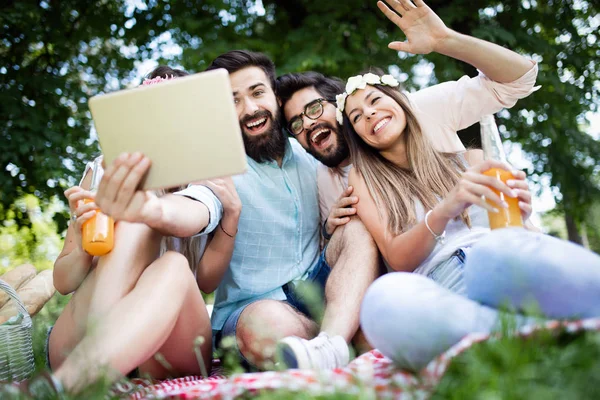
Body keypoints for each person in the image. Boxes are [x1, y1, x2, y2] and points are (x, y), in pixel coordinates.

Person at [333, 0, 600, 371]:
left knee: (492, 256)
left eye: (375, 101)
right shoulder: (365, 179)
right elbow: (398, 259)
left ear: (401, 102)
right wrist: (445, 208)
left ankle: (517, 339)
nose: (369, 115)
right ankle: (533, 335)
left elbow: (520, 77)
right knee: (383, 299)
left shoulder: (472, 162)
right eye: (357, 117)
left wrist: (520, 213)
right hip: (443, 289)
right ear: (358, 136)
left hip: (500, 264)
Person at [4, 66, 239, 398]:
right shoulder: (104, 170)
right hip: (84, 329)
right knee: (136, 223)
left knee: (172, 265)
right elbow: (63, 281)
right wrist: (85, 246)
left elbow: (204, 282)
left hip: (167, 342)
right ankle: (93, 364)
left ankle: (66, 385)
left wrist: (230, 218)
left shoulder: (206, 178)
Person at [177, 50, 381, 371]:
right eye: (233, 101)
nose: (250, 109)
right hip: (254, 308)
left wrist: (332, 227)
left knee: (357, 226)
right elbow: (197, 206)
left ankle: (328, 344)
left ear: (275, 95)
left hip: (318, 284)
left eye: (257, 92)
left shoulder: (310, 151)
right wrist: (156, 209)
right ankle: (341, 340)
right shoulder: (218, 166)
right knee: (265, 325)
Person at [276, 1, 539, 241]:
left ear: (340, 105)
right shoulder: (324, 177)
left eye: (313, 109)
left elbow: (518, 81)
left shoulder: (415, 111)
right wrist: (328, 229)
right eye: (296, 124)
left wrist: (445, 40)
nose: (308, 124)